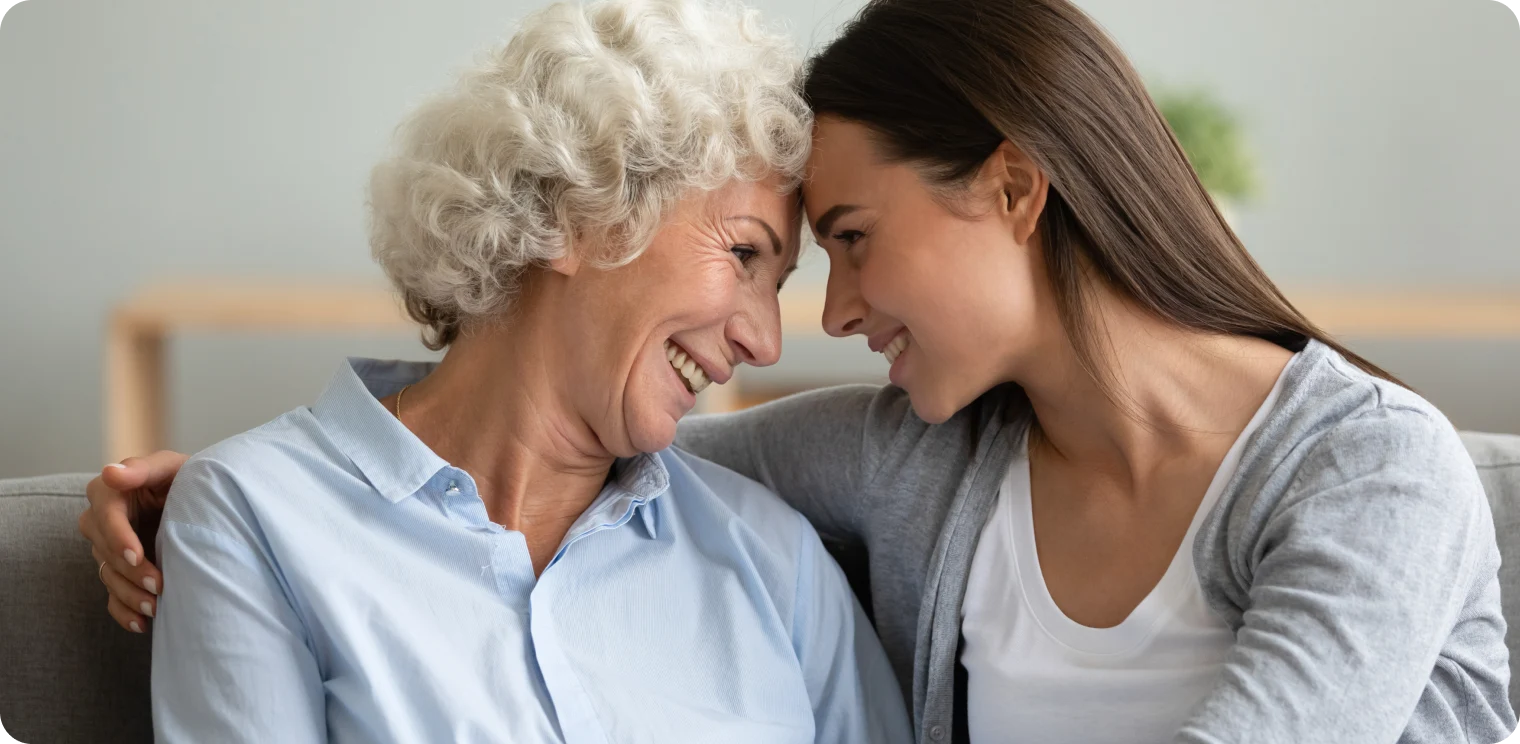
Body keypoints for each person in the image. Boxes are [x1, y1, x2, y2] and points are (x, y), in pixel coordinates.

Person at [82, 0, 1514, 741]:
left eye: (843, 242)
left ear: (1015, 188)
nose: (802, 326)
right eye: (764, 255)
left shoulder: (1371, 467)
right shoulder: (911, 459)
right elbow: (541, 455)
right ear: (578, 217)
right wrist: (288, 494)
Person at [76, 1, 914, 741]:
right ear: (574, 215)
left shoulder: (775, 562)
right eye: (743, 255)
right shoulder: (257, 518)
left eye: (778, 284)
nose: (765, 341)